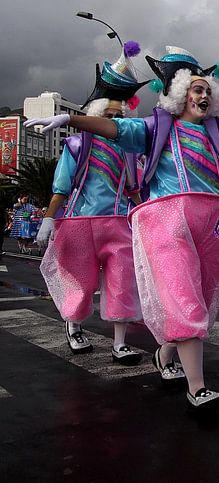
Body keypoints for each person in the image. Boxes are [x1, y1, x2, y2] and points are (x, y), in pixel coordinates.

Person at [26, 45, 219, 413]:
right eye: (196, 89)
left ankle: (166, 352)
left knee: (202, 300)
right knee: (181, 296)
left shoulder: (217, 130)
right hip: (161, 221)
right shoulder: (152, 129)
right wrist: (72, 121)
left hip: (210, 221)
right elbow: (115, 128)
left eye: (207, 89)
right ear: (179, 95)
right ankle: (198, 387)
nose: (203, 95)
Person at [36, 39, 145, 363]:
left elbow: (133, 189)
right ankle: (74, 326)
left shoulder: (128, 150)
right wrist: (48, 219)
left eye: (119, 116)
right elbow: (62, 186)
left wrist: (141, 216)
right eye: (108, 114)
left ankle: (120, 342)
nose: (113, 120)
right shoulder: (75, 146)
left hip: (118, 223)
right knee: (80, 282)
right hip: (80, 223)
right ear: (96, 114)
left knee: (123, 281)